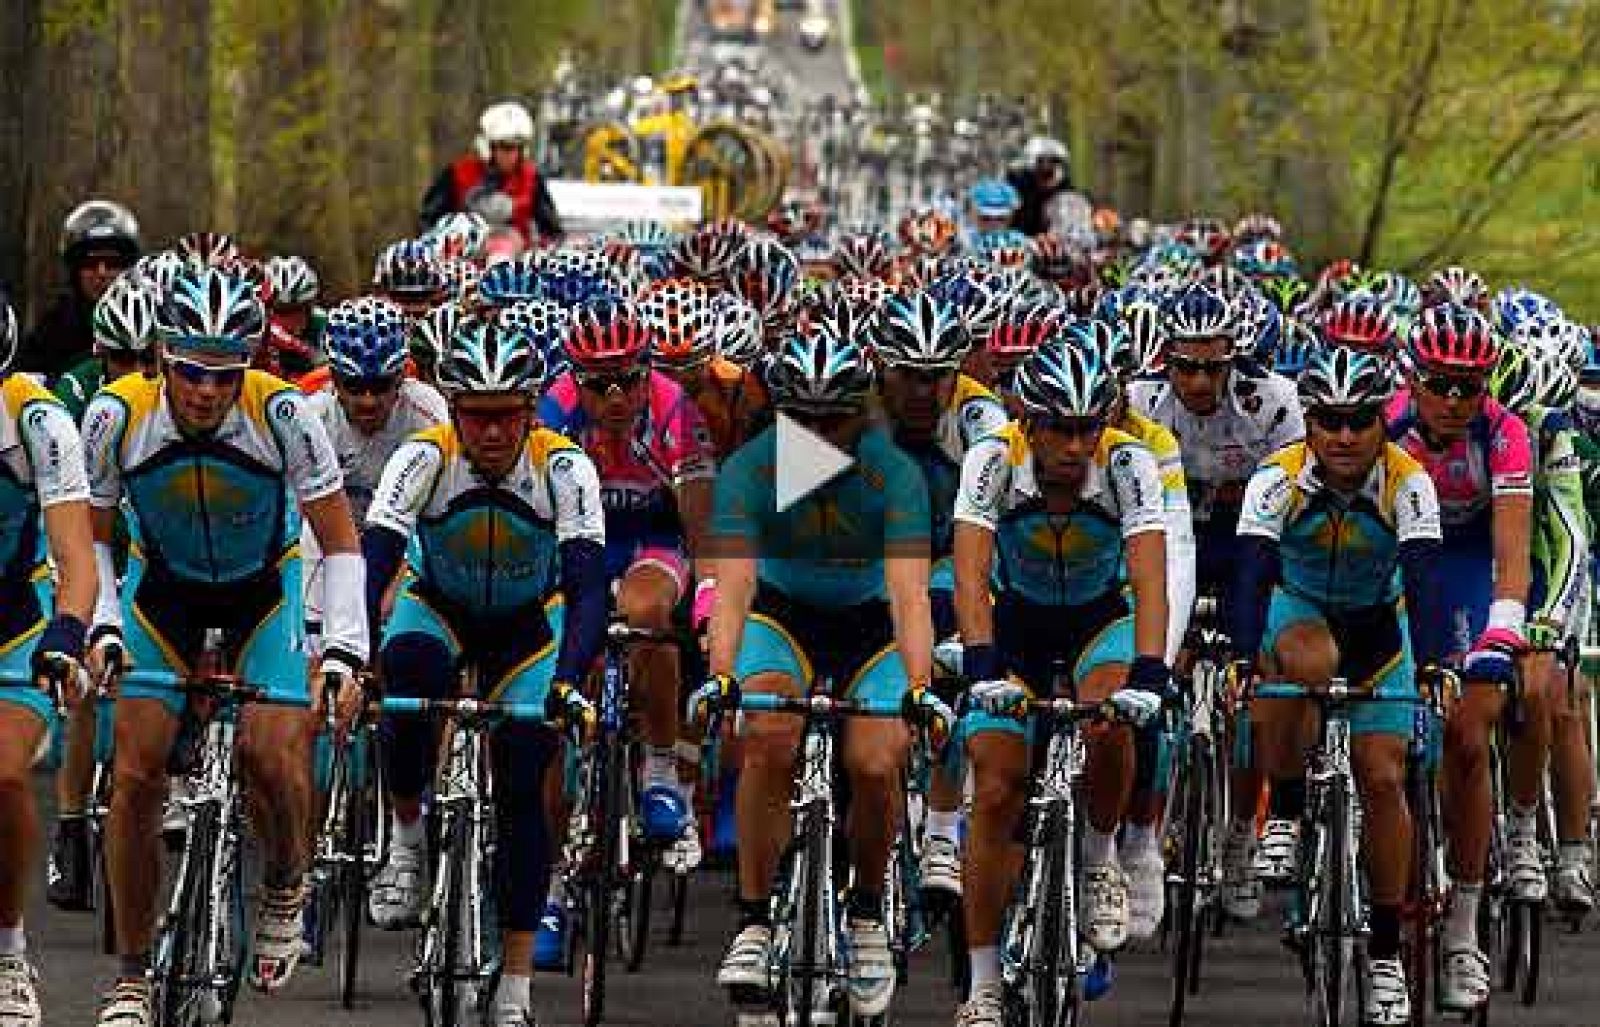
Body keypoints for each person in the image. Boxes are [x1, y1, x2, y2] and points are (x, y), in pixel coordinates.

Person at [83, 266, 367, 1027]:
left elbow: (340, 541)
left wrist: (343, 650)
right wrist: (103, 627)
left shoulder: (284, 414)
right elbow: (95, 543)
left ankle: (284, 876)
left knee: (270, 753)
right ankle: (133, 977)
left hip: (262, 592)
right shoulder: (115, 415)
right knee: (137, 776)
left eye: (225, 373)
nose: (208, 391)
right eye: (191, 371)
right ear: (161, 359)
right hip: (163, 591)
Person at [694, 324, 945, 1022]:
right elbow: (736, 586)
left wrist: (920, 688)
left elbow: (909, 596)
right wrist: (721, 676)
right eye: (802, 418)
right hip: (783, 616)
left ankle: (866, 913)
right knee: (767, 734)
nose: (819, 432)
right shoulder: (752, 468)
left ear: (862, 410)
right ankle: (751, 917)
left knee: (874, 759)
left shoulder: (894, 474)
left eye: (834, 416)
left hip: (870, 625)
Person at [362, 318, 603, 1027]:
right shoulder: (423, 456)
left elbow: (588, 588)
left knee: (524, 773)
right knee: (404, 674)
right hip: (438, 606)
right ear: (455, 408)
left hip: (530, 623)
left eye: (506, 415)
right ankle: (407, 835)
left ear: (531, 411)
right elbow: (376, 554)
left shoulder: (564, 467)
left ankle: (518, 984)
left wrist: (565, 682)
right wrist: (351, 652)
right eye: (476, 414)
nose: (492, 432)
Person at [950, 335, 1170, 1025]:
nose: (1075, 446)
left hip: (1099, 621)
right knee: (992, 787)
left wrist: (1150, 671)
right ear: (1028, 422)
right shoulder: (993, 458)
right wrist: (982, 664)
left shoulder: (1129, 463)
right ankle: (984, 983)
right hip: (1016, 624)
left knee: (1111, 714)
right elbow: (969, 575)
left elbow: (1151, 579)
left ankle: (1102, 857)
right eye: (1059, 429)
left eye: (1087, 428)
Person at [1231, 346, 1448, 1027]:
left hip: (1381, 627)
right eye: (1329, 421)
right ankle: (1288, 812)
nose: (1345, 436)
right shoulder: (1279, 476)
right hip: (1300, 611)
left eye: (1359, 420)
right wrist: (1243, 656)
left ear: (1381, 423)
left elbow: (1423, 577)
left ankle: (1384, 952)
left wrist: (1438, 660)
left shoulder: (1407, 480)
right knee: (1307, 662)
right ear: (1311, 423)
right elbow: (1252, 572)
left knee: (1382, 778)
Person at [537, 299, 715, 943]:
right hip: (578, 544)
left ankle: (662, 773)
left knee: (647, 615)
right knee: (553, 706)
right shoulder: (553, 410)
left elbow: (700, 520)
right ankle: (552, 887)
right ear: (574, 380)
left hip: (652, 544)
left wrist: (708, 603)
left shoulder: (675, 409)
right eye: (598, 384)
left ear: (649, 371)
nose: (615, 396)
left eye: (629, 379)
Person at [1127, 283, 1305, 918]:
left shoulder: (1273, 403)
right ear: (1165, 360)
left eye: (1214, 365)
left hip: (1246, 541)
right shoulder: (1140, 401)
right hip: (1176, 533)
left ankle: (1237, 838)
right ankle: (1150, 819)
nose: (1200, 381)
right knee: (1152, 662)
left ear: (1235, 359)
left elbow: (1284, 505)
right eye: (1186, 365)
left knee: (1249, 682)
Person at [1385, 304, 1531, 1012]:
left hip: (1469, 563)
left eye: (1468, 386)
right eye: (1440, 383)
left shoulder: (1505, 434)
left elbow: (1511, 555)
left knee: (1469, 736)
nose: (1452, 399)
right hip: (1397, 564)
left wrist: (1502, 632)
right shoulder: (1378, 423)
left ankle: (1463, 932)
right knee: (1383, 734)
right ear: (1413, 378)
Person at [870, 290, 1010, 904]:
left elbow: (984, 522)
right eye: (908, 376)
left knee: (951, 628)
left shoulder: (982, 418)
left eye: (938, 378)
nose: (924, 393)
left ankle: (945, 827)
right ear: (879, 368)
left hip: (949, 544)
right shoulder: (845, 406)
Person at [43, 272, 158, 914]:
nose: (132, 373)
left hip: (143, 530)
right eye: (120, 359)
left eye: (146, 360)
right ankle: (69, 824)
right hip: (81, 523)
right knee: (84, 680)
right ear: (98, 353)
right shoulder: (72, 394)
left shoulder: (169, 397)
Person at [0, 297, 97, 1027]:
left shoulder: (41, 420)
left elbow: (76, 558)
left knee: (3, 776)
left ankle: (8, 949)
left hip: (17, 616)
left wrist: (67, 632)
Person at [301, 297, 447, 654]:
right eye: (353, 386)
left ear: (402, 375)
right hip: (328, 542)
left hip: (405, 546)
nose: (368, 401)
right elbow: (293, 519)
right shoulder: (312, 417)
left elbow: (438, 516)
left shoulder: (428, 413)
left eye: (381, 386)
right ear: (333, 377)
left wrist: (394, 587)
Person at [18, 201, 142, 381]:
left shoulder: (152, 326)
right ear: (74, 270)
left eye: (112, 263)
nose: (101, 273)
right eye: (90, 263)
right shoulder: (50, 332)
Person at [419, 101, 563, 246]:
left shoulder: (531, 178)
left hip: (512, 254)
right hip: (463, 250)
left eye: (517, 148)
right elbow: (429, 217)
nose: (511, 155)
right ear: (488, 147)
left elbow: (551, 228)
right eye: (505, 147)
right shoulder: (458, 173)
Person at [1006, 136, 1073, 237]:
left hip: (1056, 244)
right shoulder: (1016, 188)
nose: (1047, 167)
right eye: (1041, 161)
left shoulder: (1066, 191)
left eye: (1054, 161)